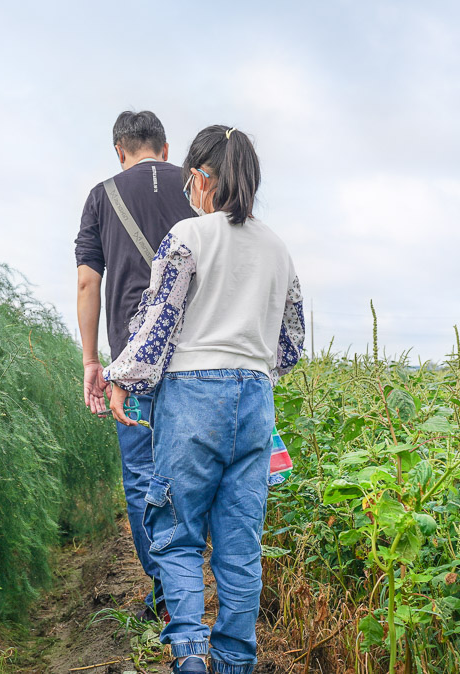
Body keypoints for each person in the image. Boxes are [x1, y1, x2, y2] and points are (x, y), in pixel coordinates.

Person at [103, 125, 305, 674]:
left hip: (193, 397)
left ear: (199, 178)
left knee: (179, 535)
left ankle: (191, 657)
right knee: (240, 545)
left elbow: (158, 324)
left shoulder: (188, 235)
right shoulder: (278, 249)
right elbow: (290, 346)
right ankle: (237, 662)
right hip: (255, 400)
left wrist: (122, 376)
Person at [74, 110, 195, 622]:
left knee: (146, 477)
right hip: (195, 355)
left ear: (119, 151)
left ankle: (168, 597)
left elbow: (87, 284)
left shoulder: (101, 196)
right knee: (195, 474)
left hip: (132, 364)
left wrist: (91, 361)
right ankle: (192, 585)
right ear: (166, 149)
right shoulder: (195, 186)